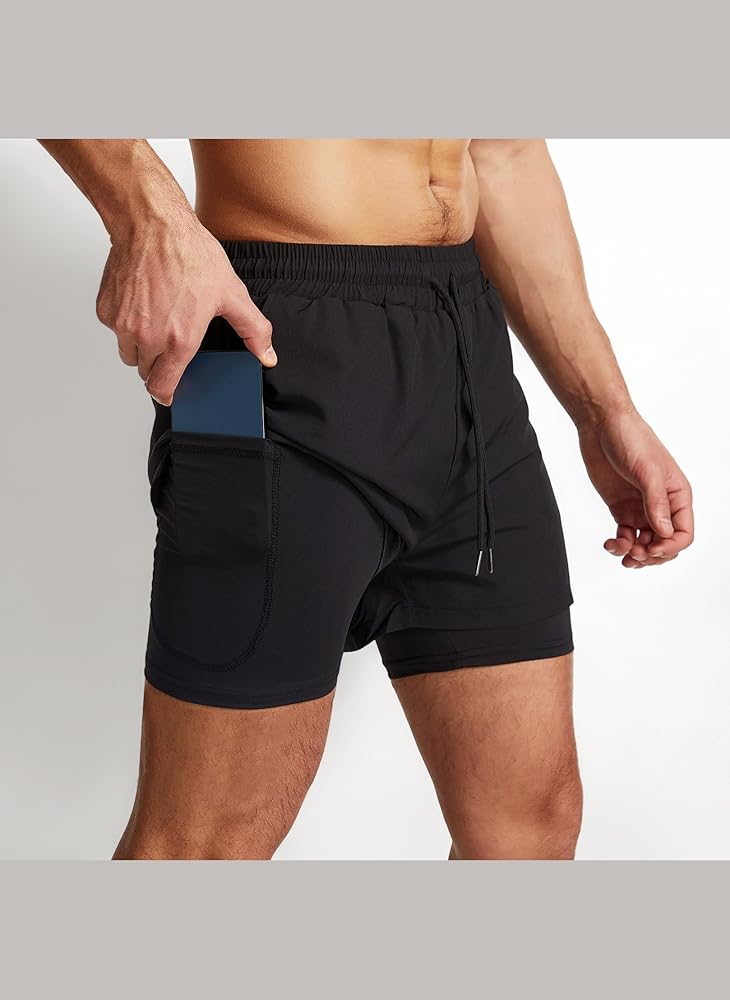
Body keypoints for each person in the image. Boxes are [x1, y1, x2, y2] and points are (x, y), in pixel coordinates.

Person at [39, 139, 694, 860]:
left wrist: (605, 412)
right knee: (206, 845)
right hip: (271, 338)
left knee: (531, 827)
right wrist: (149, 218)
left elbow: (504, 152)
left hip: (468, 359)